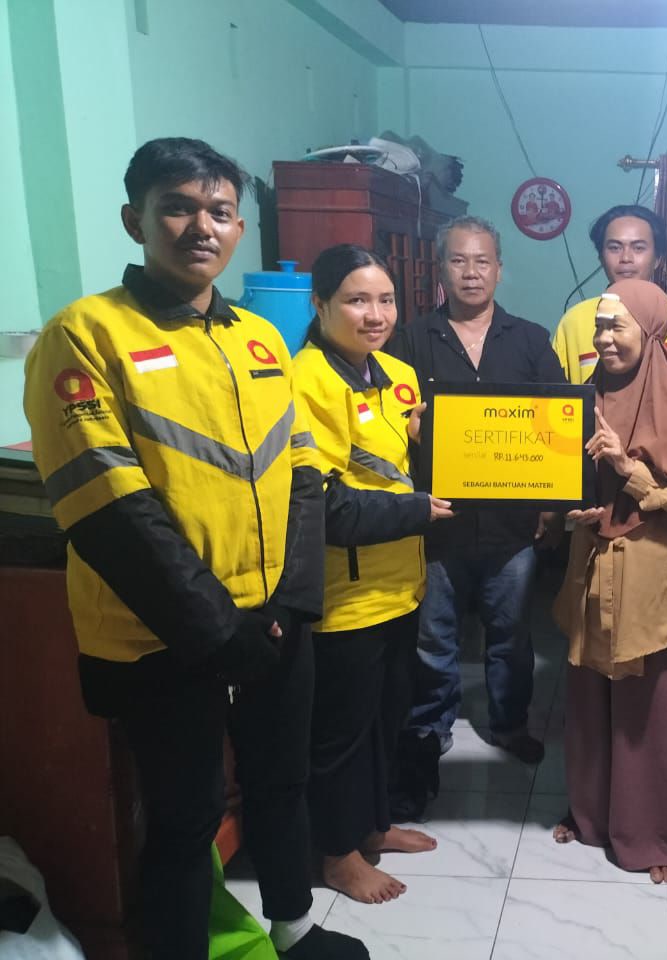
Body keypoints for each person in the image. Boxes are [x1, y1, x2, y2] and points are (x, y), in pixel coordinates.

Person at [22, 138, 366, 959]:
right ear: (134, 219)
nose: (200, 226)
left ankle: (293, 929)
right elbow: (109, 508)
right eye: (176, 207)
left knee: (282, 783)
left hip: (274, 618)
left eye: (218, 211)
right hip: (161, 634)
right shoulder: (85, 335)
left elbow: (303, 475)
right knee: (185, 816)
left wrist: (293, 601)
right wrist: (218, 629)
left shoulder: (259, 339)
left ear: (239, 228)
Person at [386, 216, 566, 817]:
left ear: (499, 268)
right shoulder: (411, 340)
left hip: (512, 525)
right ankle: (429, 727)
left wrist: (551, 503)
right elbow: (388, 420)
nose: (471, 272)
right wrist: (410, 432)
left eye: (482, 260)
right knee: (434, 636)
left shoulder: (530, 339)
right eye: (459, 260)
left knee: (510, 634)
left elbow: (558, 424)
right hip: (438, 521)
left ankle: (509, 722)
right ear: (441, 268)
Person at [292, 244, 455, 903]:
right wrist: (418, 508)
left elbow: (410, 464)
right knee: (343, 733)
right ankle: (337, 854)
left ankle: (373, 826)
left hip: (402, 585)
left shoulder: (399, 374)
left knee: (388, 719)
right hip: (347, 595)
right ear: (320, 304)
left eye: (385, 299)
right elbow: (325, 505)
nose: (376, 314)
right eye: (357, 300)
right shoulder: (304, 382)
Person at [551, 280, 667, 884]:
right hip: (591, 563)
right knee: (587, 699)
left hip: (649, 570)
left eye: (617, 326)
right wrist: (573, 508)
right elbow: (565, 477)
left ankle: (651, 833)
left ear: (650, 331)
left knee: (645, 710)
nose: (604, 338)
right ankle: (590, 815)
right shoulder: (586, 394)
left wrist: (630, 471)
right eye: (600, 326)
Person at [552, 205, 667, 382]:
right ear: (601, 258)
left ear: (658, 259)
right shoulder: (573, 322)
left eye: (638, 248)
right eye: (615, 248)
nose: (626, 258)